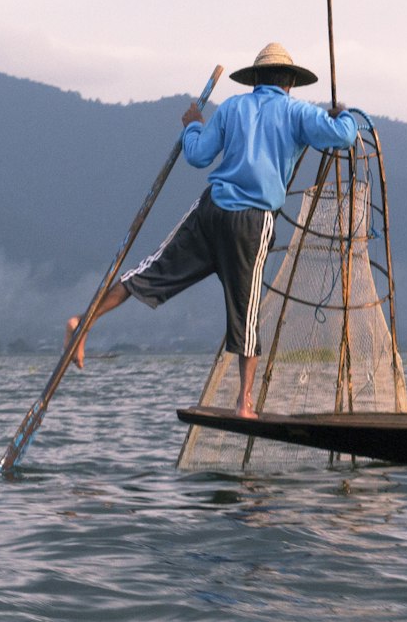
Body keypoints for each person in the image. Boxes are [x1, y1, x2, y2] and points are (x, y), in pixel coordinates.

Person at [65, 42, 358, 417]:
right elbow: (343, 136)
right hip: (252, 221)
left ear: (256, 81)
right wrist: (346, 113)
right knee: (246, 312)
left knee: (148, 273)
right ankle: (245, 403)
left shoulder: (233, 107)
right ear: (288, 82)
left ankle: (83, 320)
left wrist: (191, 126)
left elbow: (198, 155)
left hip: (211, 210)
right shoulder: (297, 111)